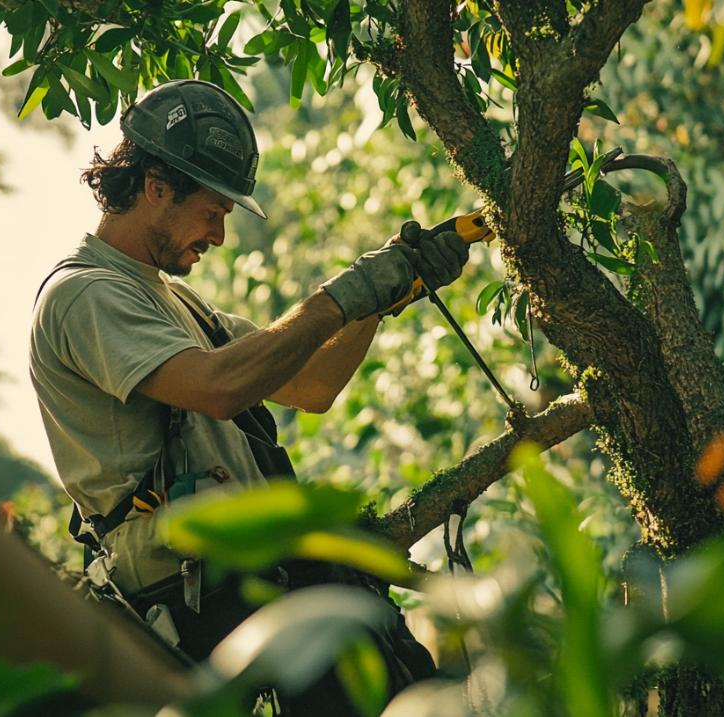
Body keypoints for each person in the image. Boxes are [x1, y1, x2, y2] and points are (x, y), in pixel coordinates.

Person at [29, 80, 468, 712]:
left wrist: (386, 290)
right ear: (156, 187)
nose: (219, 236)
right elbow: (220, 388)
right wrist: (346, 292)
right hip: (194, 588)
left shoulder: (174, 301)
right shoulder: (84, 293)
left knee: (415, 691)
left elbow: (308, 383)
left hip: (260, 568)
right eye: (214, 211)